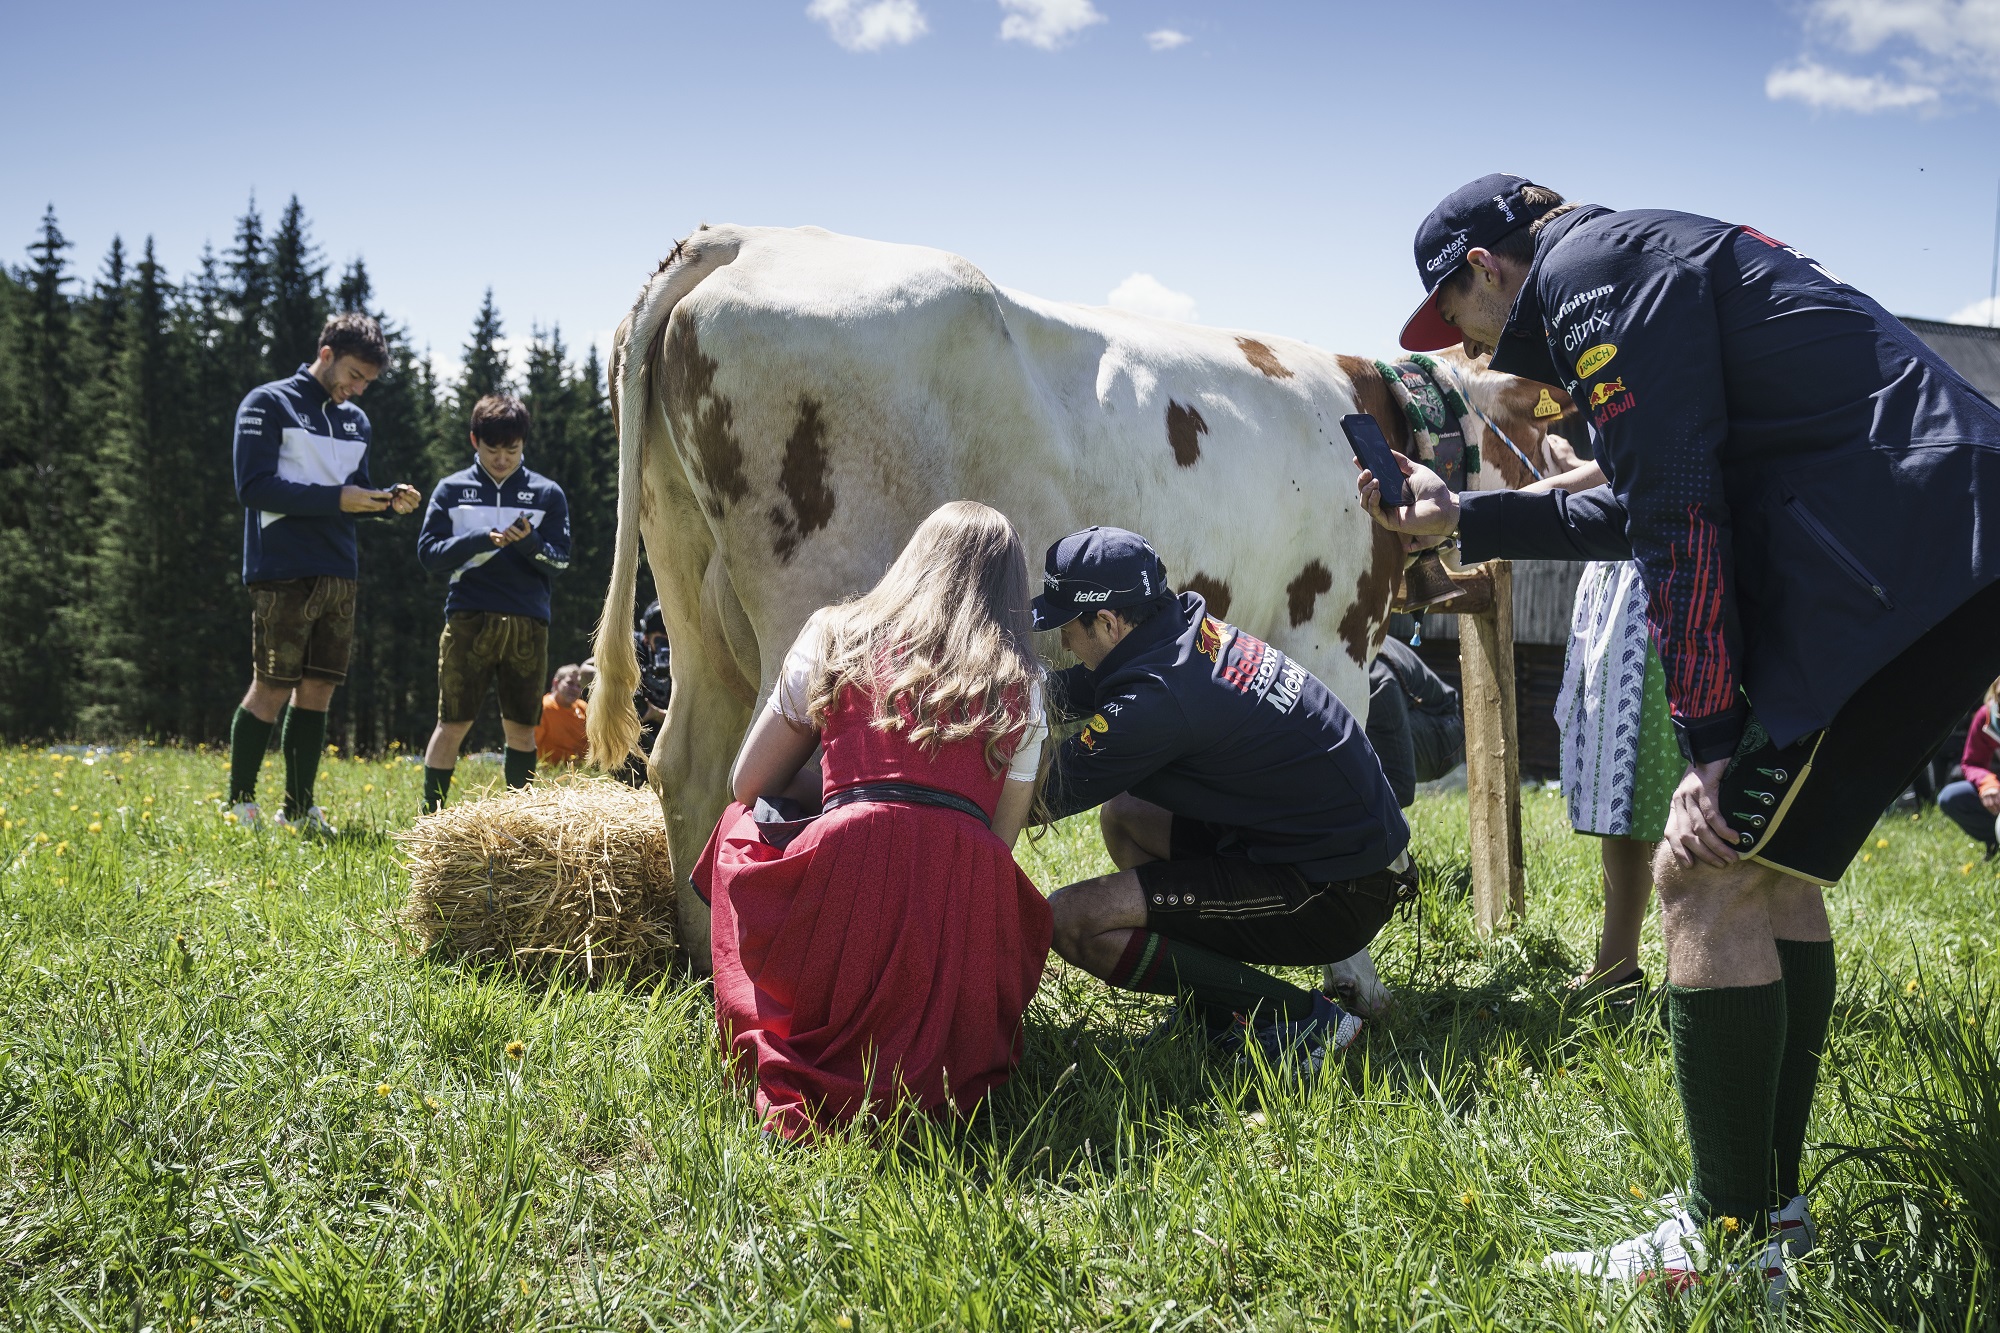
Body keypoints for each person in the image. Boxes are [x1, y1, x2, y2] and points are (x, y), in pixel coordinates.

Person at [1365, 173, 2000, 1295]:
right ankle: (1771, 1215)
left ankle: (1722, 1245)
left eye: (1454, 322)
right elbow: (1633, 495)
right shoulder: (1640, 252)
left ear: (1482, 270)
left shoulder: (1587, 279)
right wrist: (1459, 510)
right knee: (1774, 873)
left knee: (1699, 875)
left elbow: (1675, 511)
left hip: (1897, 568)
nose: (1466, 351)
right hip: (1933, 552)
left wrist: (1707, 737)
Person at [691, 501, 1053, 1138]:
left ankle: (783, 1009)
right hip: (954, 895)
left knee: (737, 828)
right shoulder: (1022, 681)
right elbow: (999, 843)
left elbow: (747, 782)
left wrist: (841, 783)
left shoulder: (836, 634)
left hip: (846, 867)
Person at [1035, 527, 1415, 1070]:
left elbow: (1037, 797)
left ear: (1109, 622)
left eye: (1067, 628)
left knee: (1071, 919)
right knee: (1125, 817)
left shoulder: (1157, 698)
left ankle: (1304, 1020)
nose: (1063, 642)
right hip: (1331, 852)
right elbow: (1076, 688)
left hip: (1338, 892)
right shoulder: (1174, 634)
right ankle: (1215, 1009)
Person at [226, 313, 420, 834]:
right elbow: (253, 488)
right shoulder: (267, 403)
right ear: (327, 354)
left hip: (340, 569)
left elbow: (353, 490)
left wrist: (386, 502)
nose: (358, 389)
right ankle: (239, 804)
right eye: (354, 375)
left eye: (367, 383)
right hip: (280, 566)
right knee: (271, 684)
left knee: (318, 691)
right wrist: (340, 498)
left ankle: (299, 808)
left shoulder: (357, 421)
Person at [416, 394, 571, 812]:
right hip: (468, 618)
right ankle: (431, 818)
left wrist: (530, 543)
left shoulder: (547, 493)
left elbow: (560, 561)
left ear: (523, 444)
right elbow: (429, 555)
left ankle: (517, 824)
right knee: (453, 723)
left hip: (528, 622)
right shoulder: (450, 490)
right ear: (474, 440)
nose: (502, 459)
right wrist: (478, 539)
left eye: (512, 449)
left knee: (522, 729)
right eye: (492, 449)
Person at [1365, 634, 1463, 809]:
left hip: (1445, 729)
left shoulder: (1376, 678)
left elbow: (1400, 786)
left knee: (1354, 745)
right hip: (1415, 713)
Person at [1936, 678, 2000, 859]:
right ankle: (1994, 840)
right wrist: (1987, 784)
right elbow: (1971, 763)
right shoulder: (1986, 717)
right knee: (1951, 798)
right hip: (1998, 791)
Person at [535, 664, 590, 766]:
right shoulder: (543, 708)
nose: (575, 689)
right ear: (556, 683)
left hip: (582, 772)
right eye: (570, 683)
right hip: (550, 772)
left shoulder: (583, 708)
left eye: (579, 686)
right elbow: (530, 744)